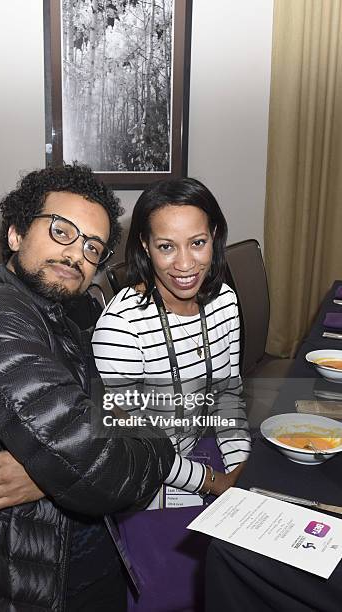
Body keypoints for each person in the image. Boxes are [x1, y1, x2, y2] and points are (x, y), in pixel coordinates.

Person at [0, 163, 175, 612]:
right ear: (16, 234)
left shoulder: (55, 314)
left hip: (77, 545)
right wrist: (68, 469)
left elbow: (116, 413)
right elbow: (109, 473)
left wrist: (46, 472)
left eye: (93, 247)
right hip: (25, 576)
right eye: (61, 231)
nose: (76, 255)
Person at [91, 177, 252, 609]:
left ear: (214, 236)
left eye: (197, 242)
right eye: (166, 247)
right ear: (144, 245)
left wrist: (240, 467)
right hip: (150, 479)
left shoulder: (225, 302)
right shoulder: (121, 327)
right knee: (186, 593)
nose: (185, 264)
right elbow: (137, 448)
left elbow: (229, 395)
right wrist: (215, 483)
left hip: (210, 452)